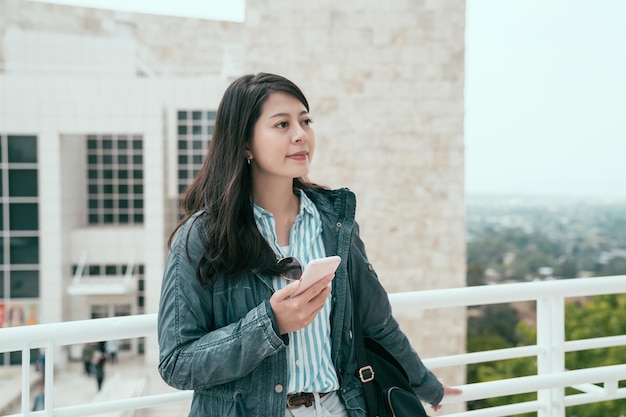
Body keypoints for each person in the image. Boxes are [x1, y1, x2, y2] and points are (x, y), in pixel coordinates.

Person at [157, 73, 462, 417]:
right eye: (282, 124)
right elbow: (176, 361)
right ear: (245, 144)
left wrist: (427, 386)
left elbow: (376, 322)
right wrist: (270, 325)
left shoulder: (334, 222)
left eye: (305, 121)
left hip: (339, 407)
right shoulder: (202, 237)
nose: (301, 135)